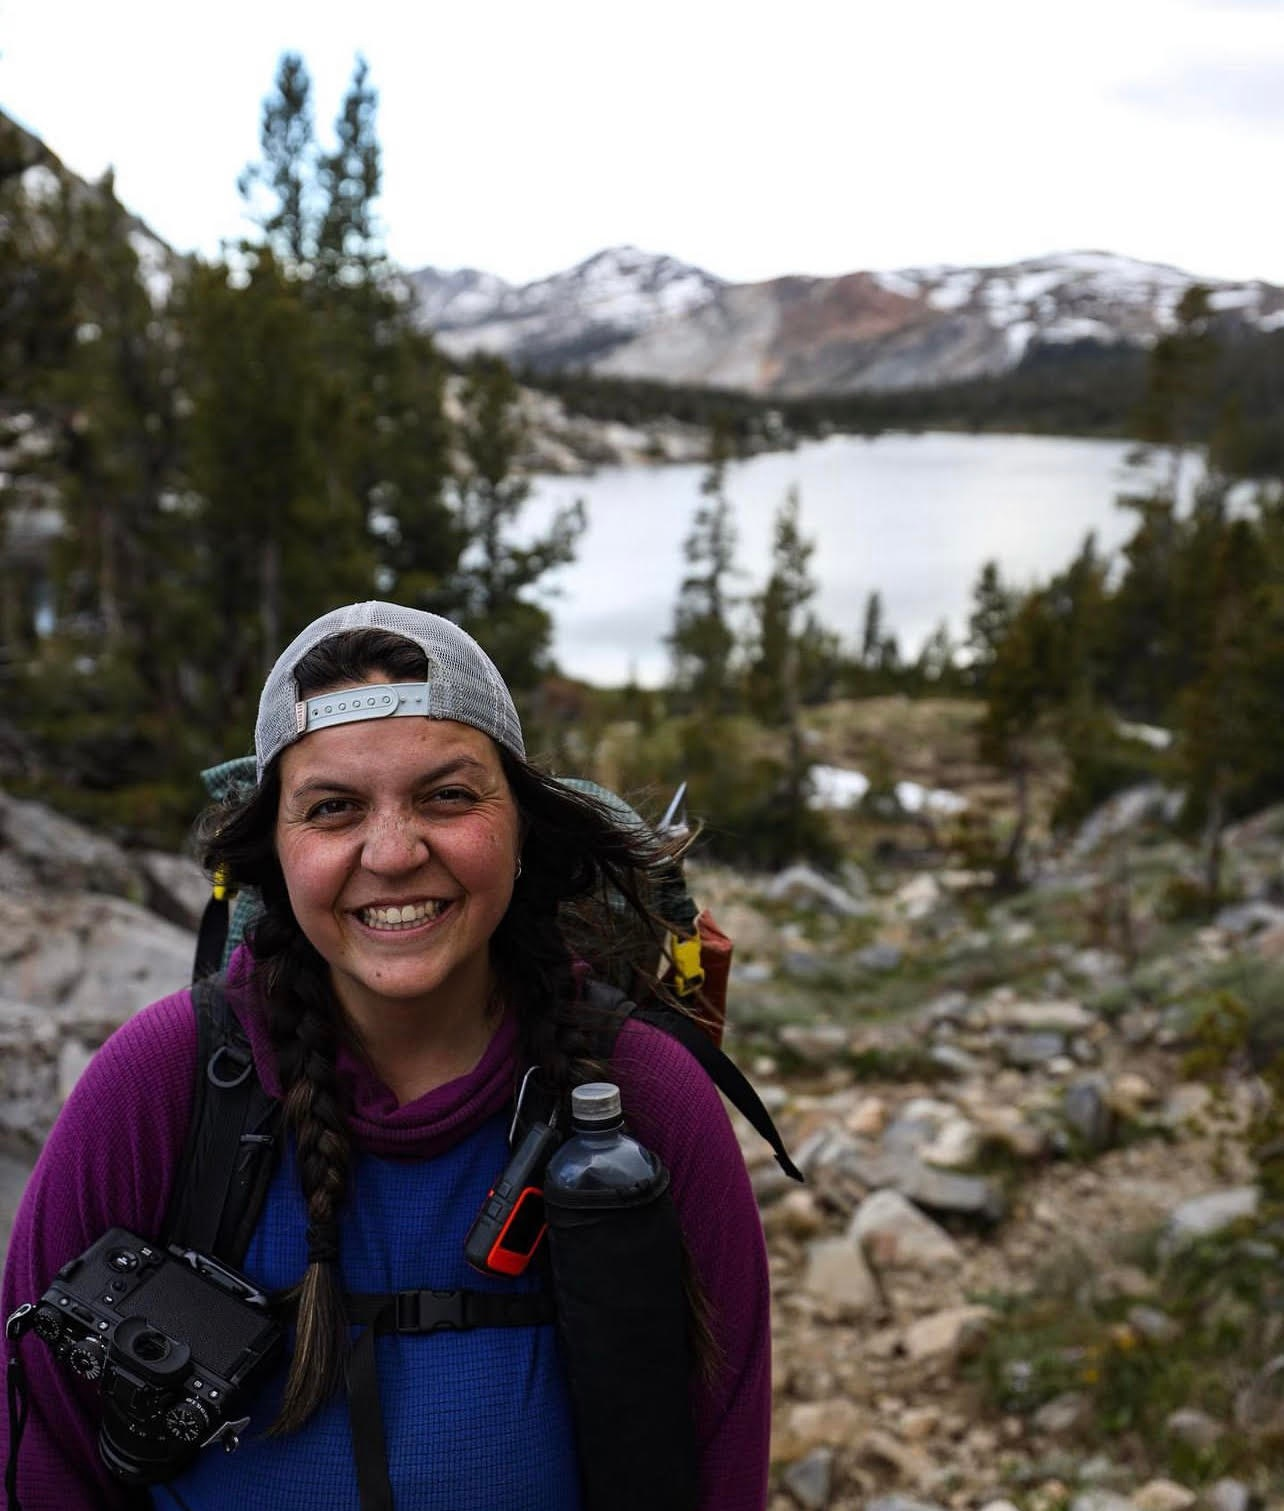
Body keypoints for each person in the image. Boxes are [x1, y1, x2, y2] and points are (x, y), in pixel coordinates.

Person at [1, 602, 771, 1511]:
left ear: (521, 826)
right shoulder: (160, 1086)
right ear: (274, 851)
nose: (394, 852)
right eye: (333, 808)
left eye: (447, 795)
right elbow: (37, 1448)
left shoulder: (648, 1096)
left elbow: (720, 1465)